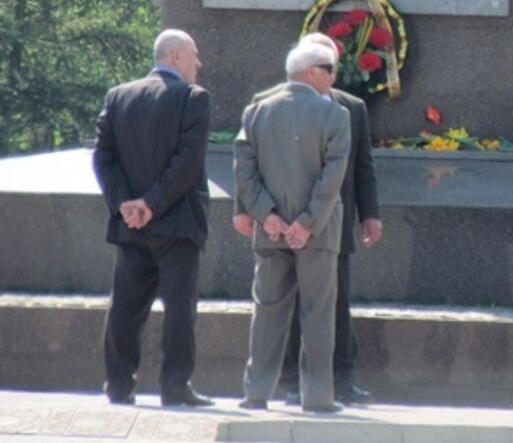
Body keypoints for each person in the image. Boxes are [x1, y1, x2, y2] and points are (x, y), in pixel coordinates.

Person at [233, 32, 383, 406]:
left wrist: (267, 216)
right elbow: (332, 178)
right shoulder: (335, 114)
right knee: (317, 313)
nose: (334, 76)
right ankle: (317, 395)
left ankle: (256, 393)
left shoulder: (256, 112)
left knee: (267, 313)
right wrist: (307, 222)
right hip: (318, 234)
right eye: (329, 69)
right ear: (312, 73)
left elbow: (244, 171)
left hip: (270, 233)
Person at [92, 29, 213, 407]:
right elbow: (187, 161)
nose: (199, 63)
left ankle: (118, 384)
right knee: (179, 309)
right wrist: (151, 203)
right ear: (176, 56)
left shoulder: (118, 96)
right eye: (194, 54)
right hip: (176, 223)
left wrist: (126, 204)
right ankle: (175, 386)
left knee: (125, 307)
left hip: (130, 224)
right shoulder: (193, 98)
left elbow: (103, 157)